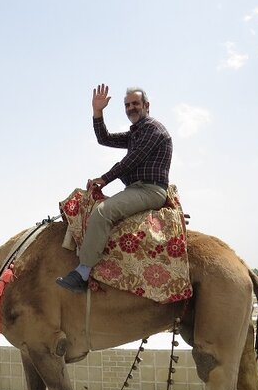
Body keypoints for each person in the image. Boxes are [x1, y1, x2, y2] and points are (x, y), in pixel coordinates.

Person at [57, 83, 173, 293]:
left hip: (149, 190)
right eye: (127, 105)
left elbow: (132, 160)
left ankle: (83, 272)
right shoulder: (136, 133)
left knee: (102, 212)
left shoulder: (153, 130)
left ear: (147, 105)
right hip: (135, 190)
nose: (131, 108)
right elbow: (105, 138)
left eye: (135, 103)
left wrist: (104, 179)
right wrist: (97, 112)